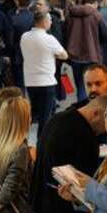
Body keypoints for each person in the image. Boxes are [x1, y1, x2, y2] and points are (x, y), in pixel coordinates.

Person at [20, 8, 68, 140]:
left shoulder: (25, 36)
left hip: (30, 80)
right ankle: (42, 143)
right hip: (46, 81)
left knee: (33, 113)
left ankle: (21, 139)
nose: (51, 23)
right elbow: (64, 55)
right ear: (44, 22)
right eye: (50, 20)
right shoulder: (49, 39)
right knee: (45, 116)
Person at [64, 0, 107, 102]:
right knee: (91, 85)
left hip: (74, 56)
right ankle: (90, 108)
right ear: (95, 4)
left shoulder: (71, 15)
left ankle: (82, 107)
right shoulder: (96, 15)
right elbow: (106, 36)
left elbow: (65, 33)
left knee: (80, 85)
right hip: (92, 55)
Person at [10, 0, 34, 89]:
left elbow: (10, 40)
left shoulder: (13, 19)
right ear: (30, 4)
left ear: (18, 4)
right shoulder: (35, 18)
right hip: (33, 54)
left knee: (19, 83)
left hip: (18, 55)